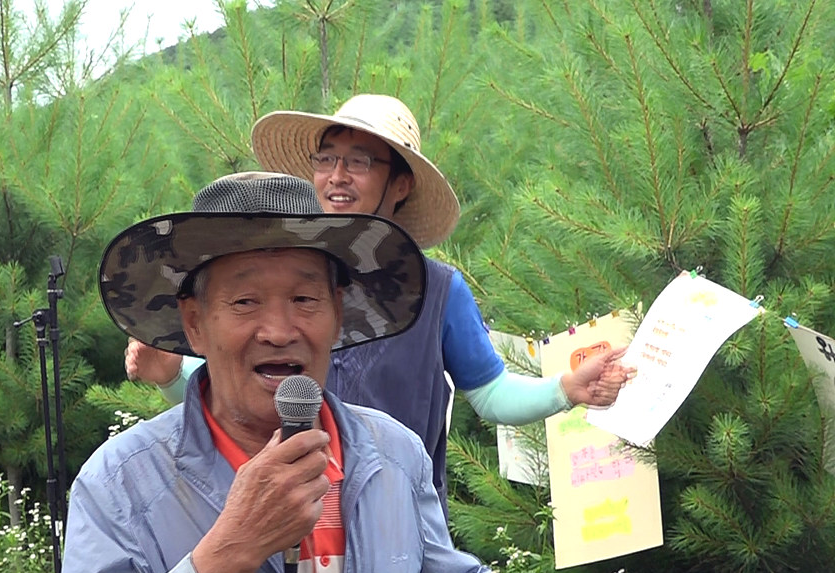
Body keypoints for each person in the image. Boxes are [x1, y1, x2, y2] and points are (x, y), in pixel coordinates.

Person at [58, 172, 505, 573]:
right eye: (245, 302)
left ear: (337, 314)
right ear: (195, 323)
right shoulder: (119, 483)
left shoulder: (394, 453)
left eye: (305, 300)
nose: (278, 330)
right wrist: (235, 546)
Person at [126, 94, 635, 514]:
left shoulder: (437, 291)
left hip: (398, 524)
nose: (337, 176)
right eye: (326, 159)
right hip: (284, 518)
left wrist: (566, 388)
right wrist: (172, 375)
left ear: (401, 184)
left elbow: (492, 394)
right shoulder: (278, 280)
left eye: (359, 162)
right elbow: (245, 401)